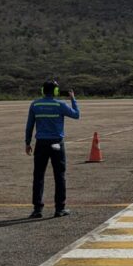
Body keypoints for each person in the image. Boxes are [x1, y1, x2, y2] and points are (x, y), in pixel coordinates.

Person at [25, 80, 79, 218]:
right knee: (59, 176)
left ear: (43, 90)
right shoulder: (60, 104)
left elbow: (30, 125)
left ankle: (37, 209)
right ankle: (59, 208)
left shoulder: (35, 104)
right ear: (55, 91)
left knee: (38, 176)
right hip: (56, 144)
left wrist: (27, 142)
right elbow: (76, 115)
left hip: (41, 144)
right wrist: (73, 99)